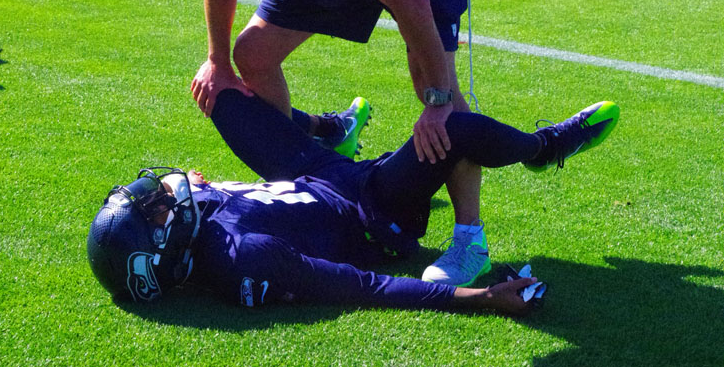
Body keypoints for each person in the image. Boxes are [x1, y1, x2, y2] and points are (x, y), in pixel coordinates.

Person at [190, 0, 485, 272]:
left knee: (436, 87)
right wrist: (218, 61)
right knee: (253, 54)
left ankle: (471, 242)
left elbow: (412, 5)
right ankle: (309, 181)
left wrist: (438, 102)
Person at [87, 89, 619, 314]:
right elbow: (363, 287)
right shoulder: (244, 257)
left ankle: (332, 131)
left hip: (315, 175)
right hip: (371, 212)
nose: (161, 193)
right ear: (163, 251)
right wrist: (480, 298)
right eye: (154, 209)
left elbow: (213, 199)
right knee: (453, 129)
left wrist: (200, 189)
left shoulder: (193, 229)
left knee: (224, 96)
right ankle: (547, 146)